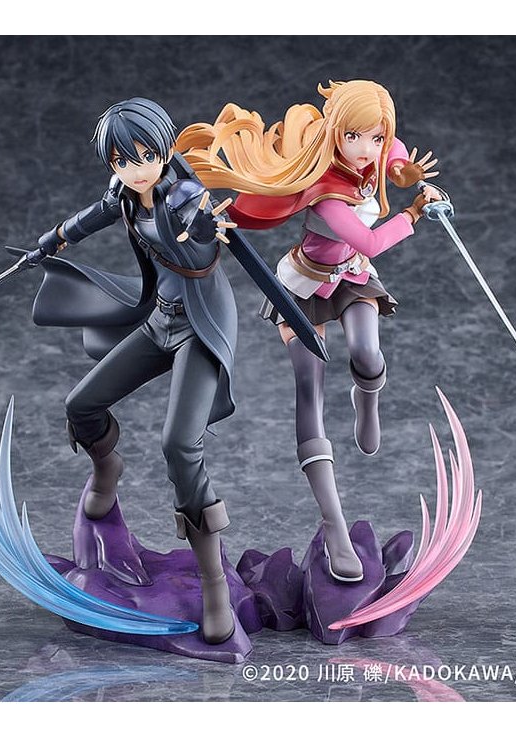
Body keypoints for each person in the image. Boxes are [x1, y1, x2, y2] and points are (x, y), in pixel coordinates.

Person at [177, 80, 440, 583]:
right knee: (309, 387)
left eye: (375, 137)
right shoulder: (324, 190)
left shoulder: (374, 152)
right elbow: (370, 240)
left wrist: (401, 169)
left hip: (352, 277)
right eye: (354, 137)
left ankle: (366, 397)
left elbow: (394, 151)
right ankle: (334, 525)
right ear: (336, 132)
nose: (365, 148)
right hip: (301, 287)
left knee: (367, 355)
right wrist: (413, 212)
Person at [24, 97, 244, 644]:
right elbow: (93, 216)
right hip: (159, 320)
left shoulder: (185, 196)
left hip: (200, 326)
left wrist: (205, 226)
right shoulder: (124, 194)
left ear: (165, 149)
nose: (136, 168)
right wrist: (53, 239)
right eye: (123, 160)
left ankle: (214, 584)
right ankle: (107, 467)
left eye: (146, 155)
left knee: (180, 446)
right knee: (81, 405)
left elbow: (199, 232)